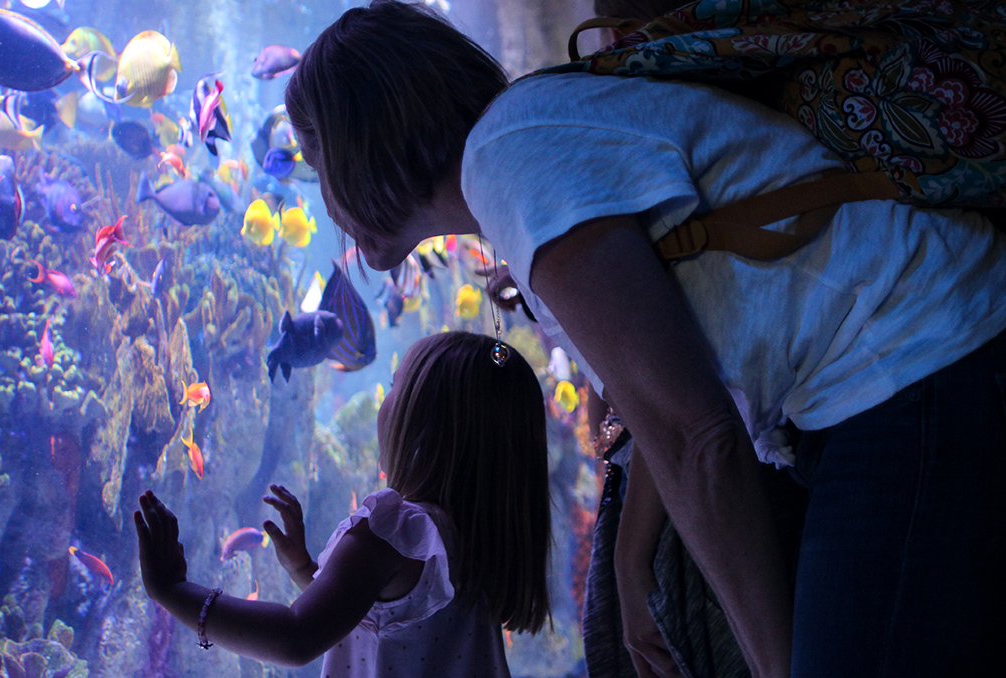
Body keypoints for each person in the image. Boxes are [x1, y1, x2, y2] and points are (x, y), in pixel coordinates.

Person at [281, 2, 1006, 677]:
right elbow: (673, 383)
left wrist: (774, 667)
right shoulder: (519, 154)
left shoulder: (511, 160)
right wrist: (633, 561)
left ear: (361, 143)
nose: (326, 198)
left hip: (919, 356)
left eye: (320, 165)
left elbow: (698, 435)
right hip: (898, 370)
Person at [136, 331, 552, 675]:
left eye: (396, 387)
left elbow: (297, 637)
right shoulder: (471, 545)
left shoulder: (396, 531)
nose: (386, 403)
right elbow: (380, 616)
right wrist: (305, 569)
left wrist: (173, 591)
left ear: (425, 428)